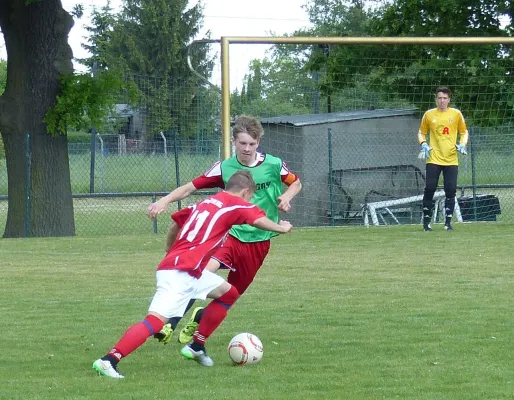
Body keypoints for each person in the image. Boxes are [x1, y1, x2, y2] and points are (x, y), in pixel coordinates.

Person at [92, 171, 293, 378]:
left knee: (228, 294)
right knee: (155, 322)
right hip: (181, 273)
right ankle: (109, 360)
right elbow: (258, 220)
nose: (249, 201)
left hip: (187, 269)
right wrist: (282, 228)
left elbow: (175, 224)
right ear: (245, 192)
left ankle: (197, 345)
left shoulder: (205, 203)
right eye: (250, 197)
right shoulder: (236, 203)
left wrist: (170, 251)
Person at [147, 115, 302, 344]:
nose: (247, 149)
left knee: (232, 294)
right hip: (230, 236)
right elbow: (190, 187)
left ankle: (200, 317)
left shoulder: (274, 164)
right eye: (242, 143)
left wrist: (286, 197)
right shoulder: (225, 168)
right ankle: (170, 323)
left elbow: (296, 182)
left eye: (251, 143)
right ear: (233, 141)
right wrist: (164, 201)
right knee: (199, 273)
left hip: (259, 241)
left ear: (258, 142)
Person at [417, 86, 469, 231]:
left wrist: (462, 144)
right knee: (430, 188)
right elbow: (421, 132)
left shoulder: (456, 114)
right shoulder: (429, 114)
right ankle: (426, 222)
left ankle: (447, 223)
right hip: (433, 158)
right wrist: (424, 144)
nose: (442, 101)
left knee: (450, 189)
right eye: (439, 98)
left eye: (445, 98)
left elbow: (464, 132)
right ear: (436, 99)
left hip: (451, 159)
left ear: (449, 100)